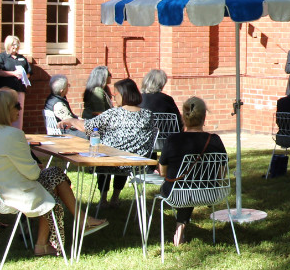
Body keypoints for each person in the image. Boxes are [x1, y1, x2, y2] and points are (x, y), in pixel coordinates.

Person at [0, 89, 107, 257]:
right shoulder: (12, 135)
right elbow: (33, 174)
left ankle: (76, 222)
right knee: (54, 178)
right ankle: (61, 232)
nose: (19, 109)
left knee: (54, 174)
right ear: (4, 109)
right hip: (14, 195)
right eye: (16, 105)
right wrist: (36, 167)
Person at [59, 78, 155, 207]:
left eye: (115, 94)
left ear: (123, 95)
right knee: (123, 153)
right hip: (136, 163)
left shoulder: (113, 113)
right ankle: (115, 198)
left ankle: (103, 199)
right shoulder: (148, 115)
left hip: (109, 162)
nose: (114, 98)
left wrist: (71, 120)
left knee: (105, 154)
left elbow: (87, 126)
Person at [157, 96, 226, 246]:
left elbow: (162, 172)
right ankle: (180, 227)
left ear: (183, 116)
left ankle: (179, 229)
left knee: (185, 187)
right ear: (204, 117)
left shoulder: (173, 140)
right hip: (209, 191)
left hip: (176, 192)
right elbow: (222, 173)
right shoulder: (215, 140)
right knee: (190, 187)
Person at [0, 35, 32, 127]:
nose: (16, 46)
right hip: (5, 91)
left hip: (19, 90)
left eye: (18, 44)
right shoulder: (1, 57)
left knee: (18, 113)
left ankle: (17, 132)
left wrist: (24, 76)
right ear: (8, 45)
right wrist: (13, 74)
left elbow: (29, 72)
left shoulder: (22, 59)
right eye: (13, 44)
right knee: (4, 113)